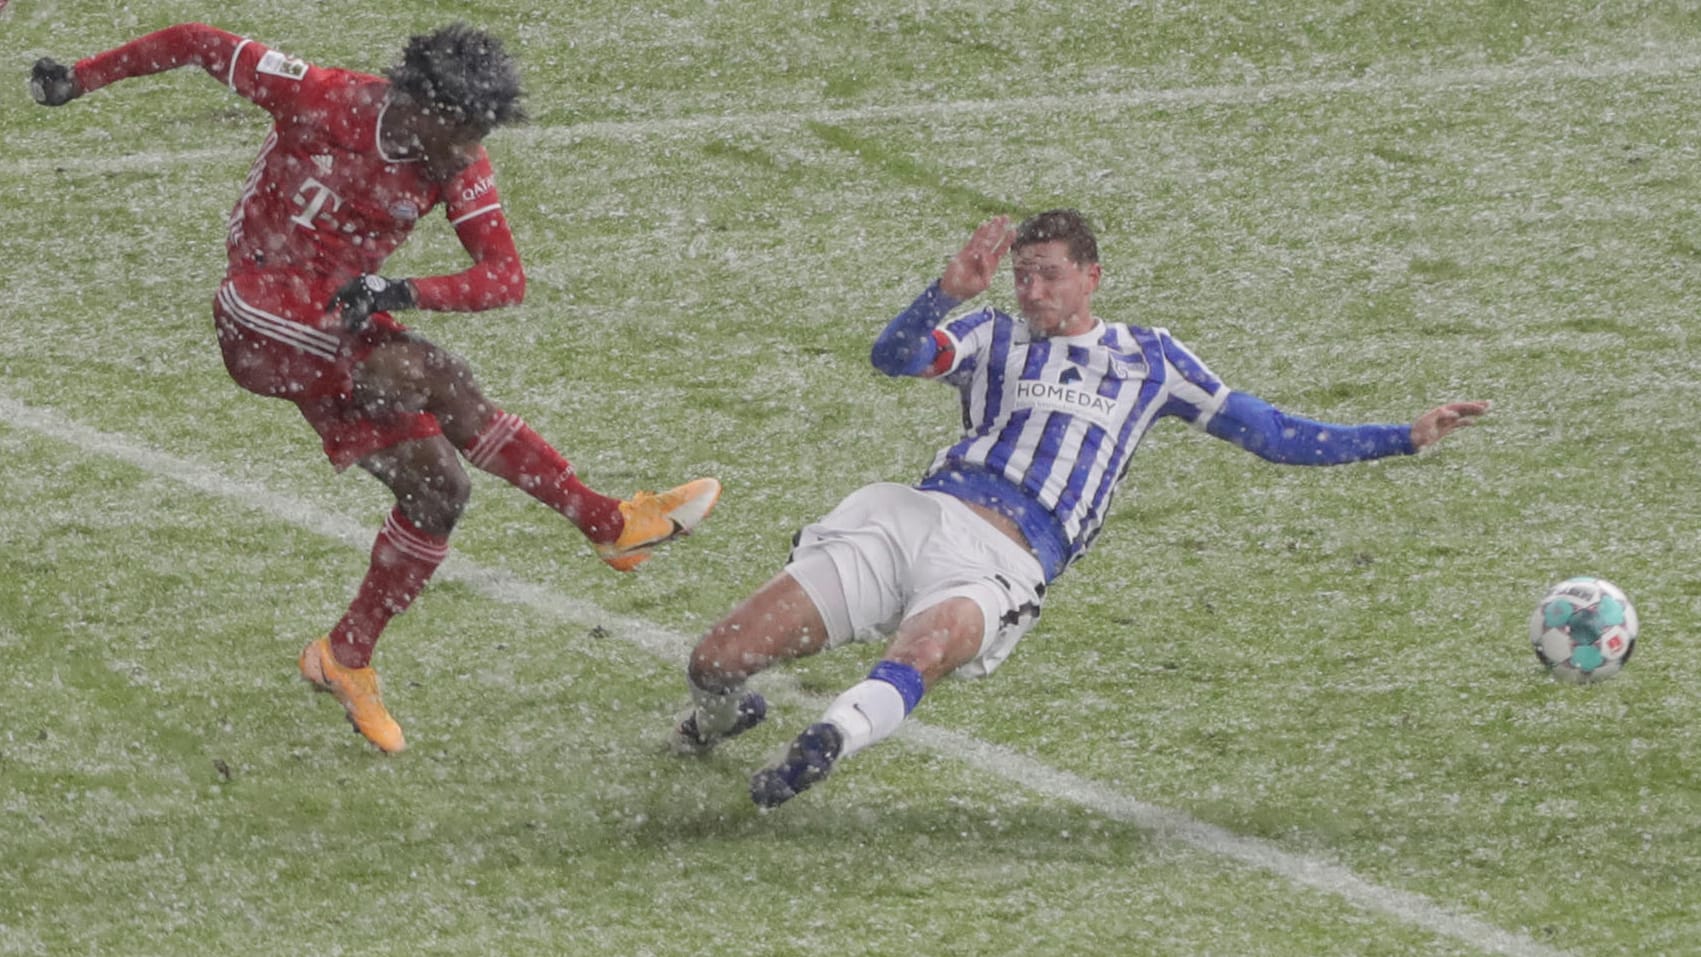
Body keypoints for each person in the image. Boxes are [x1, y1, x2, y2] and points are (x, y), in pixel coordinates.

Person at [30, 23, 721, 754]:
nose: (466, 150)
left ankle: (345, 655)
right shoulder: (320, 95)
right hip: (259, 310)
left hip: (339, 321)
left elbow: (503, 278)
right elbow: (200, 42)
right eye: (459, 130)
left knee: (438, 492)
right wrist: (80, 77)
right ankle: (603, 520)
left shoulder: (454, 163)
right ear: (417, 101)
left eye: (477, 134)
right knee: (437, 376)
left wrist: (403, 288)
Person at [673, 209, 1490, 808]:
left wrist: (1401, 436)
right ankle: (720, 714)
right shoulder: (990, 336)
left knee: (927, 646)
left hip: (1006, 559)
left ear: (1091, 275)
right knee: (714, 658)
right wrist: (941, 294)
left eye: (1049, 274)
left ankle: (827, 741)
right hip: (915, 515)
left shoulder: (1148, 358)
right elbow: (890, 358)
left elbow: (1271, 433)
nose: (1030, 290)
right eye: (1021, 274)